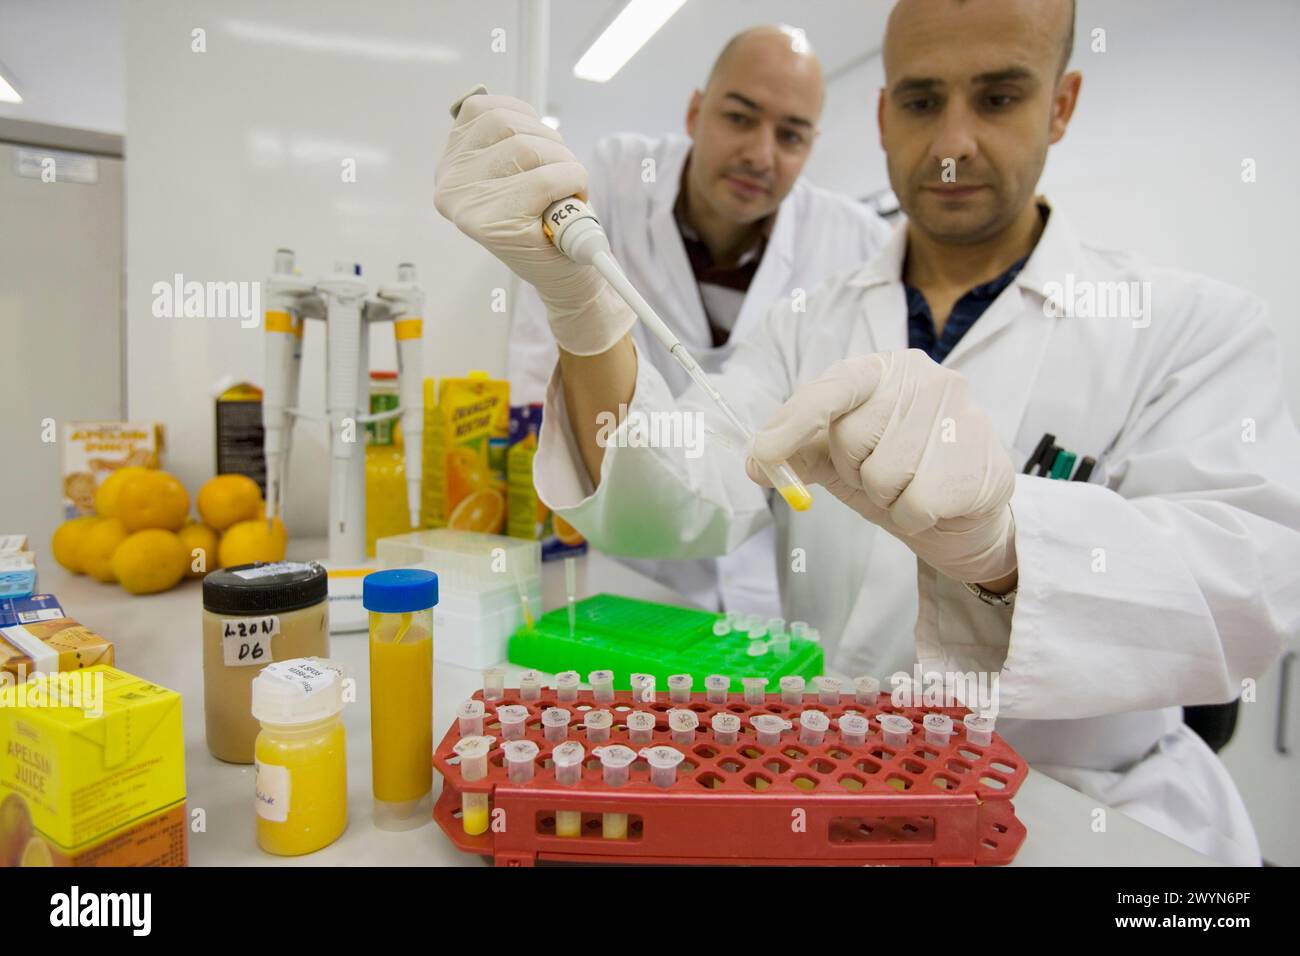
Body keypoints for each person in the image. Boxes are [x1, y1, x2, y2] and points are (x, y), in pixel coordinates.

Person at [435, 0, 1300, 865]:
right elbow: (673, 504)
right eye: (923, 102)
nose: (954, 143)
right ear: (883, 115)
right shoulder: (806, 324)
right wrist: (584, 314)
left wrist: (1009, 546)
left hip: (1085, 819)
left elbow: (1261, 580)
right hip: (837, 793)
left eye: (998, 98)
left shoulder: (1188, 327)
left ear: (1062, 104)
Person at [508, 25, 892, 621]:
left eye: (790, 136)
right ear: (695, 111)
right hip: (621, 568)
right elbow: (539, 380)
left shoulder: (854, 241)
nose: (760, 155)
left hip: (770, 575)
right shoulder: (611, 185)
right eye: (739, 118)